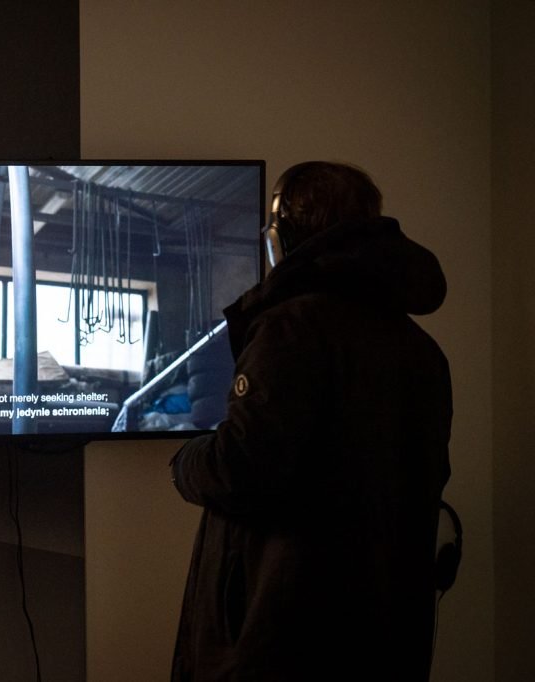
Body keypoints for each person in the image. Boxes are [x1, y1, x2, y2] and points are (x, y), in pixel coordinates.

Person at [169, 161, 452, 681]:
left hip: (281, 638)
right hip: (387, 633)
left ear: (278, 241)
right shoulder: (423, 350)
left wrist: (185, 461)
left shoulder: (289, 329)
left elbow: (239, 469)